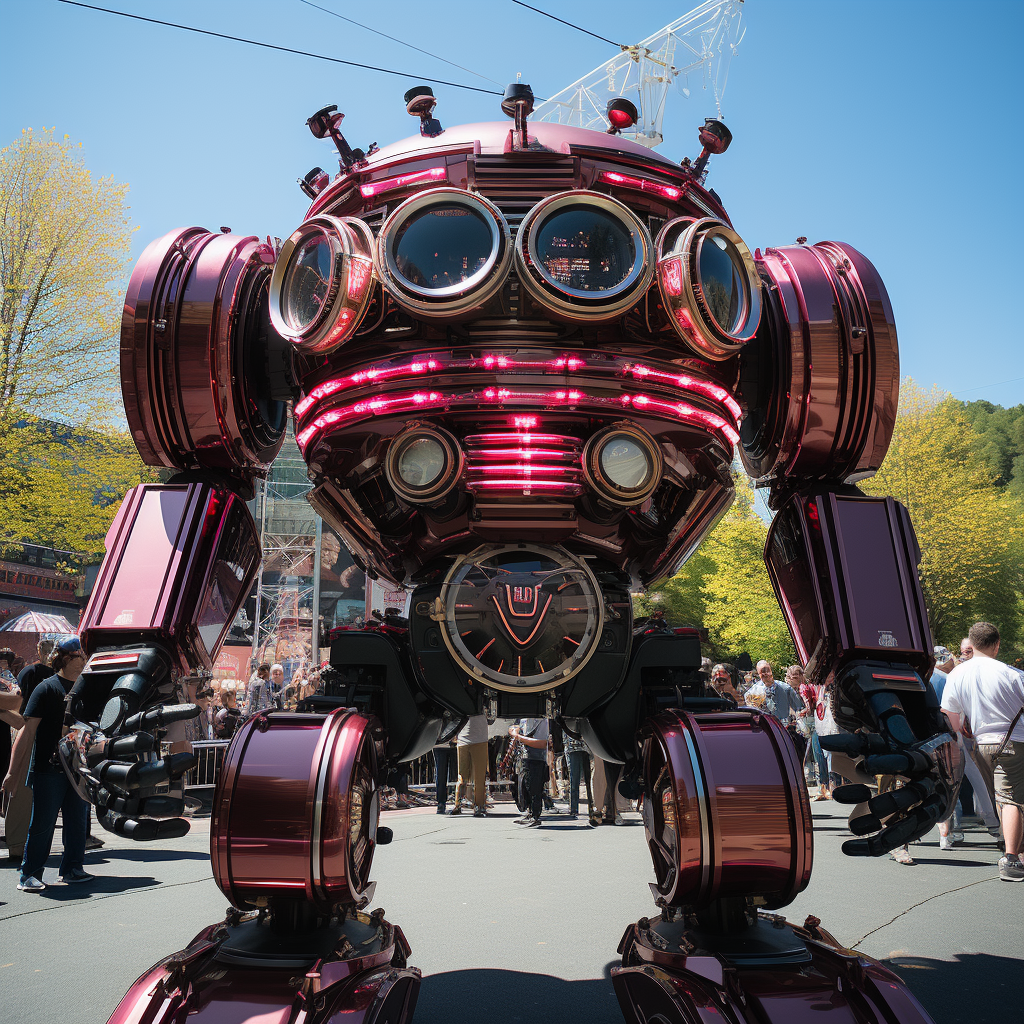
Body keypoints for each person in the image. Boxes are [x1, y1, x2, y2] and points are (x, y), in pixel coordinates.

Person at [2, 636, 92, 892]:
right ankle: (29, 873)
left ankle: (73, 868)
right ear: (63, 657)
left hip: (78, 769)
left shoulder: (87, 688)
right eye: (77, 656)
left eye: (83, 656)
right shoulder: (46, 688)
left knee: (77, 822)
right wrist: (12, 772)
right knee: (42, 823)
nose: (82, 660)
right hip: (47, 769)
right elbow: (26, 731)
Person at [940, 622, 1024, 882]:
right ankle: (1012, 858)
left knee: (1003, 796)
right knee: (1011, 798)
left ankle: (1015, 848)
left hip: (981, 744)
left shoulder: (956, 675)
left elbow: (951, 720)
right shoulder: (1010, 673)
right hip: (1014, 741)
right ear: (996, 644)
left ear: (971, 645)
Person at [510, 718, 548, 827]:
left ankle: (535, 815)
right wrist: (515, 731)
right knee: (525, 787)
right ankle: (530, 812)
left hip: (537, 759)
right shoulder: (523, 718)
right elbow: (513, 726)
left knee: (535, 788)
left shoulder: (542, 720)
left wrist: (519, 737)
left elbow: (542, 743)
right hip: (524, 758)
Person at [452, 713, 488, 817]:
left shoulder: (483, 700)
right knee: (462, 776)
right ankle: (458, 804)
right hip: (463, 739)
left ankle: (479, 805)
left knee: (479, 776)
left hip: (480, 739)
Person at [563, 729, 593, 821]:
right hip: (573, 749)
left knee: (588, 781)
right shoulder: (567, 720)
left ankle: (591, 808)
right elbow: (565, 737)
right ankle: (574, 808)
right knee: (574, 781)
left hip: (586, 749)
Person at [432, 733, 455, 814]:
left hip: (455, 744)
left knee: (458, 775)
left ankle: (458, 801)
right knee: (440, 775)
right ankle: (441, 802)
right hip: (440, 744)